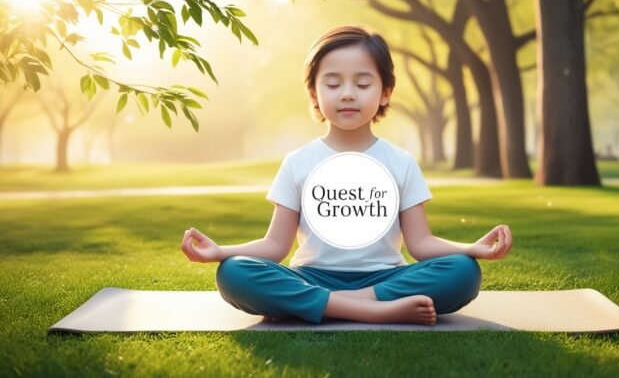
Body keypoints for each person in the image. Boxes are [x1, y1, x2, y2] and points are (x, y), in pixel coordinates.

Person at [180, 25, 513, 326]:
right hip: (311, 278)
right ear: (313, 93)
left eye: (363, 83)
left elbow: (421, 243)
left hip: (386, 279)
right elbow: (275, 245)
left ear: (385, 92)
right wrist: (221, 252)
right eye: (333, 83)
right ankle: (373, 310)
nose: (348, 93)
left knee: (463, 272)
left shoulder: (401, 162)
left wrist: (472, 248)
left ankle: (333, 305)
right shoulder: (298, 162)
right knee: (235, 273)